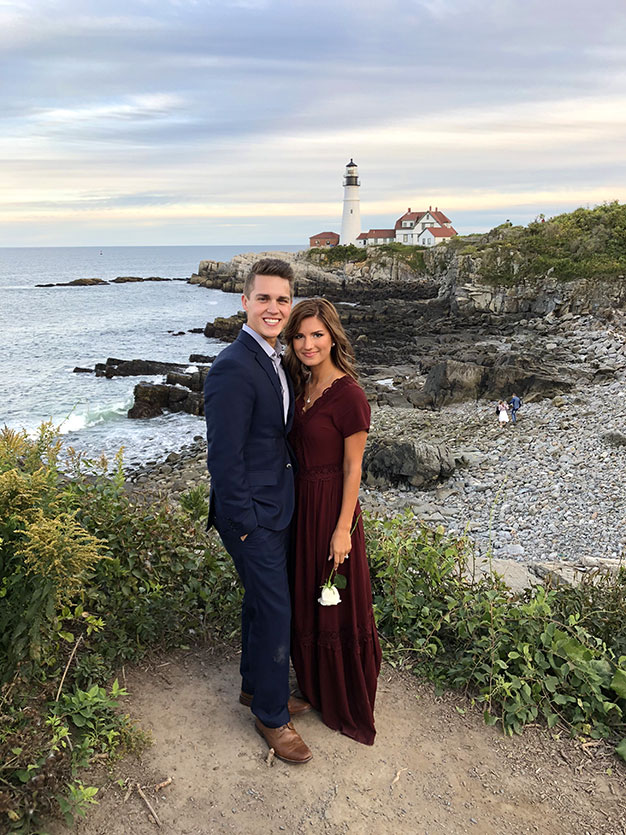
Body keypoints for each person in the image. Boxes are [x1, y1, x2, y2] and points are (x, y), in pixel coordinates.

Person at [204, 258, 312, 765]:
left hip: (275, 506)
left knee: (260, 604)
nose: (274, 308)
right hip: (251, 517)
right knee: (275, 609)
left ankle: (254, 688)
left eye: (282, 300)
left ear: (291, 306)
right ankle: (271, 715)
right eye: (264, 298)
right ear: (244, 301)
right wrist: (245, 525)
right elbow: (223, 458)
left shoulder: (274, 358)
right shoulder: (232, 366)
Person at [283, 298, 382, 745]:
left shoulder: (350, 395)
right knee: (307, 597)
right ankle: (314, 685)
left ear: (333, 337)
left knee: (335, 603)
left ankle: (342, 694)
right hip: (301, 506)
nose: (308, 344)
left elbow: (352, 468)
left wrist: (343, 530)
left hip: (331, 510)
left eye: (317, 335)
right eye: (300, 336)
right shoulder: (302, 386)